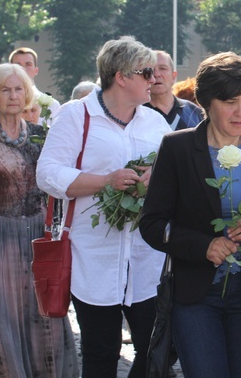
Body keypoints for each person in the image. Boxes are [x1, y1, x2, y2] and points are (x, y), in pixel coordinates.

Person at [140, 52, 241, 378]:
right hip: (196, 296)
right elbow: (152, 224)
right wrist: (202, 246)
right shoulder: (177, 148)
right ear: (207, 102)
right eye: (230, 102)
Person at [36, 37, 172, 377]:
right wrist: (106, 181)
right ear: (121, 76)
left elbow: (175, 176)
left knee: (158, 348)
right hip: (93, 257)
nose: (154, 79)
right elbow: (47, 173)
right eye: (146, 72)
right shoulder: (76, 115)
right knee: (101, 353)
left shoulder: (155, 122)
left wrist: (157, 176)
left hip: (146, 257)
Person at [0, 64, 78, 377]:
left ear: (27, 93)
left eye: (18, 89)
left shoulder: (40, 136)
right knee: (2, 319)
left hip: (38, 238)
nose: (12, 95)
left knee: (45, 316)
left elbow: (57, 186)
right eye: (5, 89)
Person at [145, 51, 203, 130]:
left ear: (173, 76)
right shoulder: (136, 114)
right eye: (150, 69)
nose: (156, 74)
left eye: (162, 68)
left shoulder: (193, 112)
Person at [9, 47, 61, 122]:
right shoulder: (1, 105)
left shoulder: (52, 105)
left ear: (36, 70)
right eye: (18, 65)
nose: (23, 69)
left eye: (28, 64)